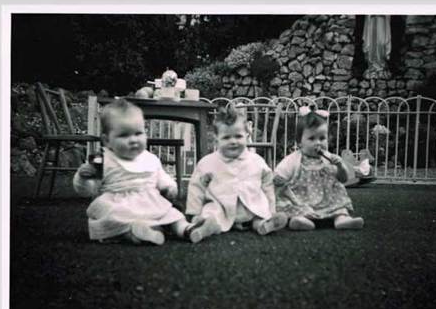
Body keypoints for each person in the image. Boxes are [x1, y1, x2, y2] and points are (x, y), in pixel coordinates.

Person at [73, 99, 193, 245]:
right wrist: (83, 178)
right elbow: (88, 190)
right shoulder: (103, 160)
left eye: (138, 133)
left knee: (173, 214)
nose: (133, 140)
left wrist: (169, 187)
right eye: (124, 135)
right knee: (117, 218)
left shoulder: (150, 158)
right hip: (118, 203)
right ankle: (137, 233)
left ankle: (186, 229)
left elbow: (161, 176)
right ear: (107, 140)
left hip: (149, 200)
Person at [185, 104, 288, 243]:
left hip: (250, 206)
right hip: (221, 206)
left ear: (247, 135)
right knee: (211, 213)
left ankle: (264, 225)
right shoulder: (207, 163)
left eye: (238, 136)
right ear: (216, 140)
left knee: (260, 214)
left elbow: (267, 185)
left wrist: (271, 208)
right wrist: (194, 212)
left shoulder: (256, 161)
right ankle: (206, 228)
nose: (233, 141)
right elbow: (197, 187)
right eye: (226, 137)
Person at [273, 105, 364, 231]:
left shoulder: (329, 159)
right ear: (300, 142)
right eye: (312, 138)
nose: (318, 143)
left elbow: (343, 179)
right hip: (302, 199)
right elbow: (281, 173)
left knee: (339, 201)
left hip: (326, 199)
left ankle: (341, 218)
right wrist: (278, 177)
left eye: (322, 138)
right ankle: (300, 220)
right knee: (289, 203)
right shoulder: (294, 159)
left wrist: (340, 166)